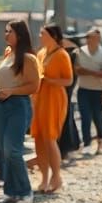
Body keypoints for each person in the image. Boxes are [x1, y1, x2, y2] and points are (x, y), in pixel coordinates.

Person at [0, 20, 40, 203]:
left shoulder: (28, 58)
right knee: (5, 152)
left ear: (19, 34)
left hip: (17, 106)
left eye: (9, 31)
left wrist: (11, 91)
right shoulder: (8, 54)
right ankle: (10, 192)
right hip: (1, 106)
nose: (5, 34)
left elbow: (34, 85)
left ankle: (25, 192)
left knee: (13, 150)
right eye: (5, 31)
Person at [32, 24, 72, 194]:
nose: (40, 35)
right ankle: (44, 178)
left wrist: (49, 80)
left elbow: (68, 80)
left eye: (43, 33)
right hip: (39, 99)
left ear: (53, 36)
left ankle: (57, 177)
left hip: (54, 99)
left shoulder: (62, 55)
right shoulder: (40, 53)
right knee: (39, 138)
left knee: (50, 137)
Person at [75, 26, 102, 155]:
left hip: (98, 90)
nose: (87, 39)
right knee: (85, 118)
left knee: (98, 117)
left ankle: (101, 141)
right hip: (84, 90)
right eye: (87, 37)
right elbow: (78, 70)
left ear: (97, 38)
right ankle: (86, 144)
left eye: (90, 37)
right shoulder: (80, 51)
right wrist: (96, 73)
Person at [57, 29, 83, 166]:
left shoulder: (74, 54)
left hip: (67, 90)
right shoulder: (64, 53)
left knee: (67, 119)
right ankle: (69, 147)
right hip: (63, 91)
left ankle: (67, 148)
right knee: (67, 118)